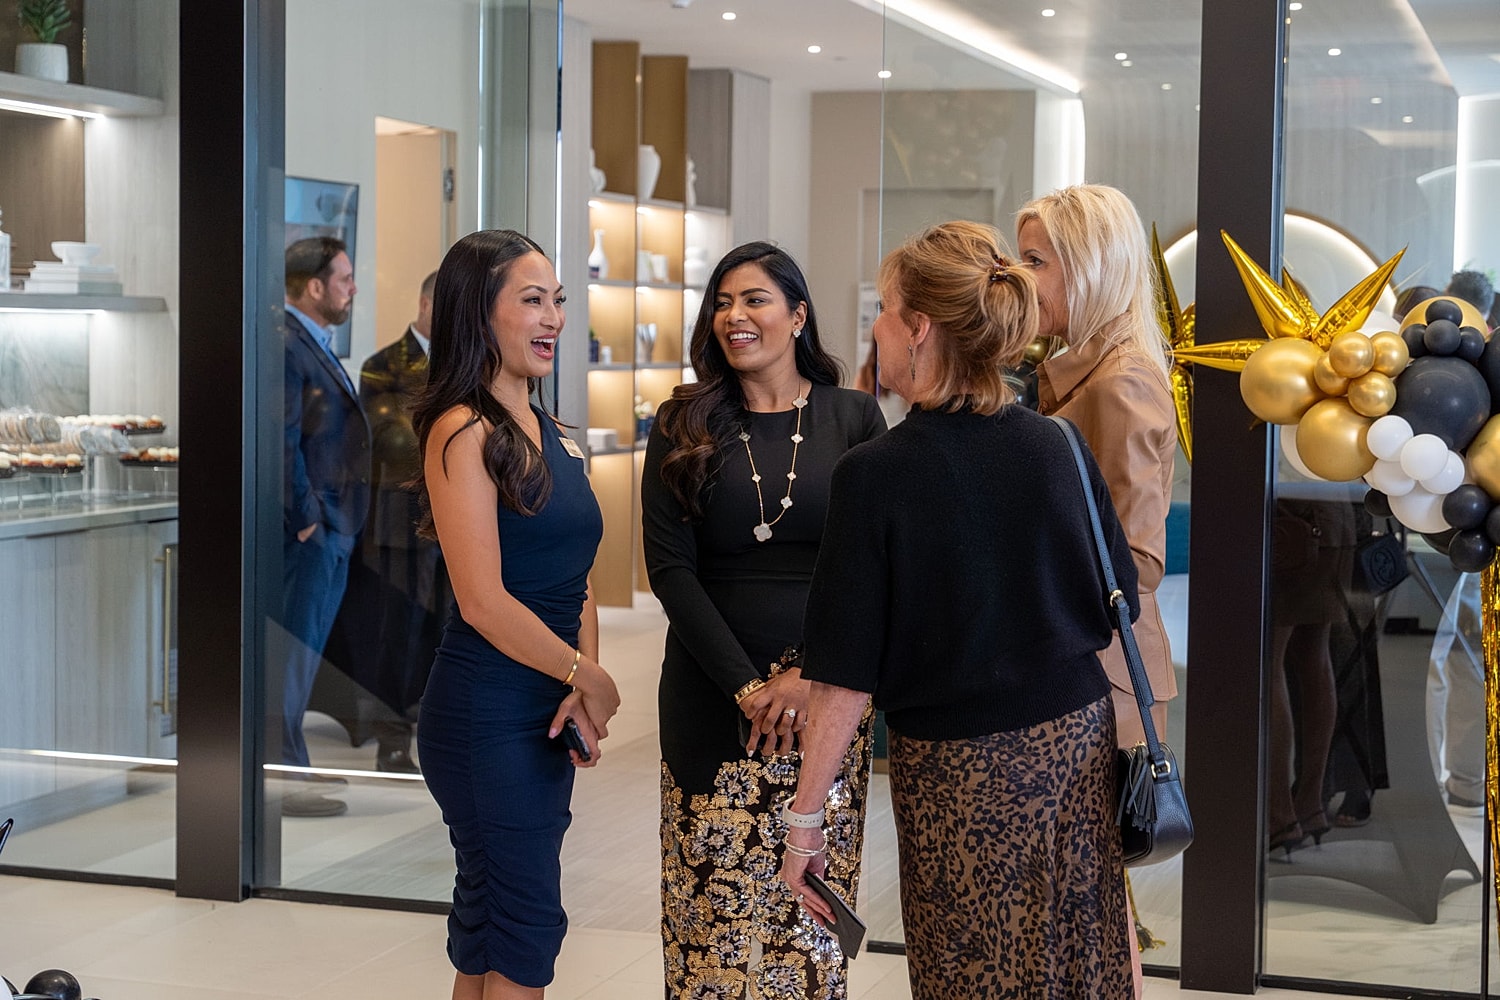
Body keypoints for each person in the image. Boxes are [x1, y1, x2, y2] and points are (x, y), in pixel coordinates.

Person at [782, 220, 1136, 998]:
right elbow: (1121, 601)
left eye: (884, 307)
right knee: (1076, 962)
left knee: (968, 970)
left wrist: (806, 821)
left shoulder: (874, 476)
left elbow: (841, 678)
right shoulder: (1060, 449)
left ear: (920, 328)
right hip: (1075, 749)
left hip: (958, 774)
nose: (875, 326)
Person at [642, 241, 885, 999]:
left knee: (807, 917)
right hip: (710, 700)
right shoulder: (683, 420)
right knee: (710, 922)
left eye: (754, 299)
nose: (734, 316)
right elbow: (669, 569)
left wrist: (808, 673)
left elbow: (877, 566)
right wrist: (749, 688)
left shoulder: (854, 417)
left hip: (826, 699)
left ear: (798, 313)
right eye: (722, 301)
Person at [412, 229, 620, 999]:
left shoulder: (557, 433)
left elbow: (580, 574)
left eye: (558, 300)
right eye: (532, 300)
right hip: (484, 712)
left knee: (493, 929)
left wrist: (580, 690)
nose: (554, 318)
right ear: (479, 314)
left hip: (542, 707)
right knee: (524, 928)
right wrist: (585, 672)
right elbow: (483, 602)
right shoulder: (459, 431)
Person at [1019, 184, 1177, 750]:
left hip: (1101, 678)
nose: (1019, 277)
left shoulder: (1119, 383)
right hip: (1083, 665)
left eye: (1034, 261)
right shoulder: (1086, 374)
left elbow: (1137, 563)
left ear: (1090, 267)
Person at [326, 269, 451, 772]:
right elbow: (392, 443)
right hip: (400, 520)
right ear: (425, 305)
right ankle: (392, 739)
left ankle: (437, 724)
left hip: (456, 519)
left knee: (447, 627)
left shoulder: (470, 363)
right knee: (396, 629)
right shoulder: (384, 366)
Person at [280, 236, 370, 817]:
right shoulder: (287, 344)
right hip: (314, 531)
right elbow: (282, 440)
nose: (352, 288)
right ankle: (286, 782)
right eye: (344, 278)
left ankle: (296, 768)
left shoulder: (314, 341)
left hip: (334, 527)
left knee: (305, 656)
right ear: (314, 287)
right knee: (290, 658)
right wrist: (309, 520)